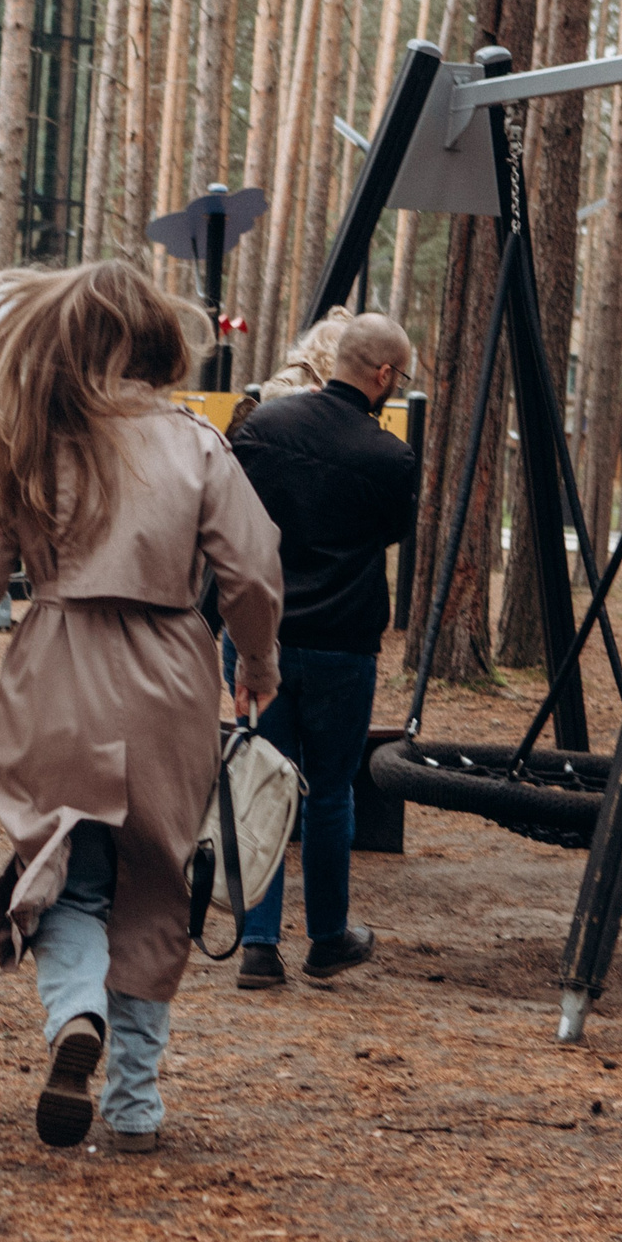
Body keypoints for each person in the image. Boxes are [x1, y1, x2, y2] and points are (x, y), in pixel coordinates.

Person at [0, 259, 283, 1154]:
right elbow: (253, 568)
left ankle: (74, 1011)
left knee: (61, 864)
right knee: (158, 877)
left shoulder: (29, 439)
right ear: (156, 336)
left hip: (55, 662)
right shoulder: (196, 442)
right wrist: (258, 660)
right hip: (171, 670)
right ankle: (133, 1102)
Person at [223, 310, 418, 990]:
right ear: (384, 375)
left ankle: (257, 940)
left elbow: (231, 519)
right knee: (331, 793)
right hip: (342, 642)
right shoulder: (390, 456)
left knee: (258, 780)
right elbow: (392, 532)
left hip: (260, 636)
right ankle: (328, 936)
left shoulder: (261, 429)